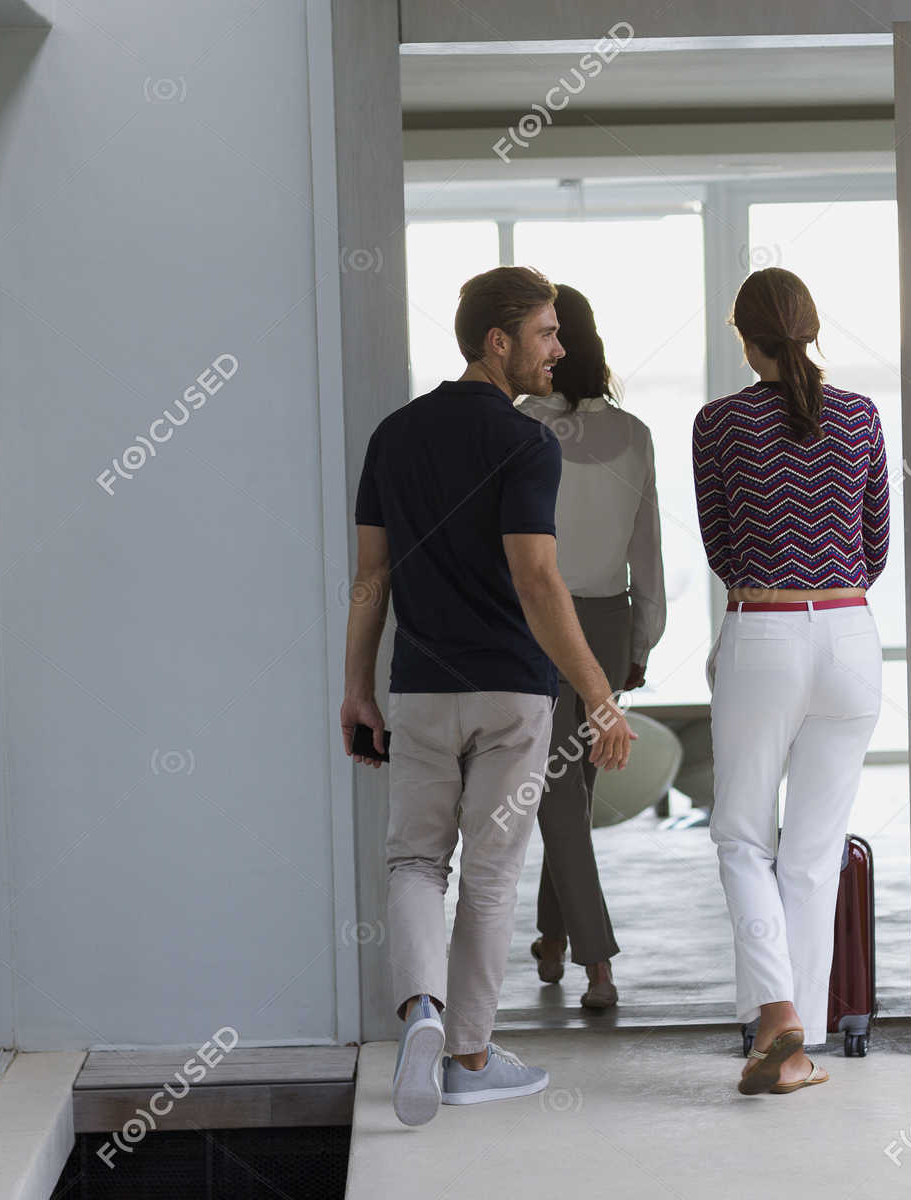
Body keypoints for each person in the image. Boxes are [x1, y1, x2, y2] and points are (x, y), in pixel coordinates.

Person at [342, 265, 636, 1128]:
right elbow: (538, 578)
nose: (561, 348)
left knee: (413, 864)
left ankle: (420, 1016)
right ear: (497, 341)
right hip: (512, 694)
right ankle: (468, 1057)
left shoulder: (394, 434)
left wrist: (357, 691)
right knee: (492, 877)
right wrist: (600, 696)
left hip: (421, 692)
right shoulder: (526, 443)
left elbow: (370, 579)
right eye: (547, 333)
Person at [691, 267, 888, 1096]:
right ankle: (796, 1053)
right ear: (809, 328)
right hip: (850, 634)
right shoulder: (861, 416)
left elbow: (721, 549)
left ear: (744, 335)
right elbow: (875, 548)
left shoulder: (719, 424)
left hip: (763, 628)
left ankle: (777, 1015)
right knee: (811, 857)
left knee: (741, 836)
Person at [515, 285, 666, 1010]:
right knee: (568, 794)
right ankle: (553, 939)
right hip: (608, 624)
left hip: (538, 622)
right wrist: (644, 637)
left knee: (557, 796)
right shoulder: (635, 433)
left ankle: (597, 961)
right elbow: (650, 552)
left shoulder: (519, 427)